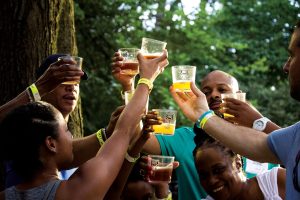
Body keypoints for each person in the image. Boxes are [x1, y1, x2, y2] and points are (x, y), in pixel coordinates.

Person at [0, 50, 168, 199]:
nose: (71, 87)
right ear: (51, 144)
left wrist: (128, 86)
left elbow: (114, 189)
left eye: (76, 83)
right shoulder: (76, 189)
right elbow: (124, 130)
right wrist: (146, 79)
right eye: (66, 131)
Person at [111, 52, 280, 199]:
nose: (213, 95)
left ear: (239, 95)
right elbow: (134, 133)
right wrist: (129, 85)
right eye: (206, 92)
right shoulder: (184, 138)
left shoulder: (261, 140)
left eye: (222, 90)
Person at [169, 20, 300, 199]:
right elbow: (270, 146)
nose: (285, 66)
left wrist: (258, 122)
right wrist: (202, 115)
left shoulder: (274, 180)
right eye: (203, 174)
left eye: (292, 56)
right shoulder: (293, 134)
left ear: (238, 162)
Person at [193, 129, 286, 200]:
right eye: (203, 176)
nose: (212, 181)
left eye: (218, 170)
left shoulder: (276, 183)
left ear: (237, 164)